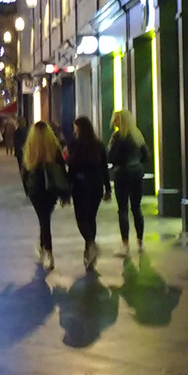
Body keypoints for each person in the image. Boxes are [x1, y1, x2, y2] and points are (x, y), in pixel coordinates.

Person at [22, 120, 69, 271]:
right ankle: (43, 248)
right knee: (45, 218)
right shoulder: (54, 147)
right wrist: (64, 192)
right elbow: (61, 168)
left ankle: (48, 252)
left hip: (36, 189)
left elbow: (25, 171)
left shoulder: (30, 148)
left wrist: (27, 190)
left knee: (43, 219)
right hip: (51, 189)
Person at [67, 115, 111, 271]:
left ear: (79, 128)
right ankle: (89, 252)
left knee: (81, 218)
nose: (74, 131)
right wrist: (108, 189)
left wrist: (67, 187)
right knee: (91, 218)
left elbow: (71, 168)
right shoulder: (98, 145)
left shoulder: (74, 145)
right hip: (96, 185)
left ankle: (91, 244)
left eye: (75, 128)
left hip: (80, 186)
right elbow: (104, 168)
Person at [108, 108, 150, 256]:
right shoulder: (137, 135)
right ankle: (140, 242)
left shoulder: (118, 137)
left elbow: (111, 157)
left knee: (123, 209)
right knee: (137, 207)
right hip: (137, 172)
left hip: (122, 174)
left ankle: (125, 244)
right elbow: (147, 155)